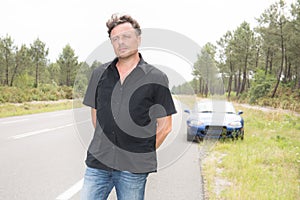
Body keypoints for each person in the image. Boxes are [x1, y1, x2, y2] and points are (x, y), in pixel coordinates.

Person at [81, 13, 177, 200]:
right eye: (115, 39)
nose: (120, 42)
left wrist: (140, 152)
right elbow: (96, 117)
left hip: (133, 169)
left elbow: (165, 127)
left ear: (138, 39)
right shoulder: (99, 74)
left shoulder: (156, 78)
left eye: (126, 36)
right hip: (98, 163)